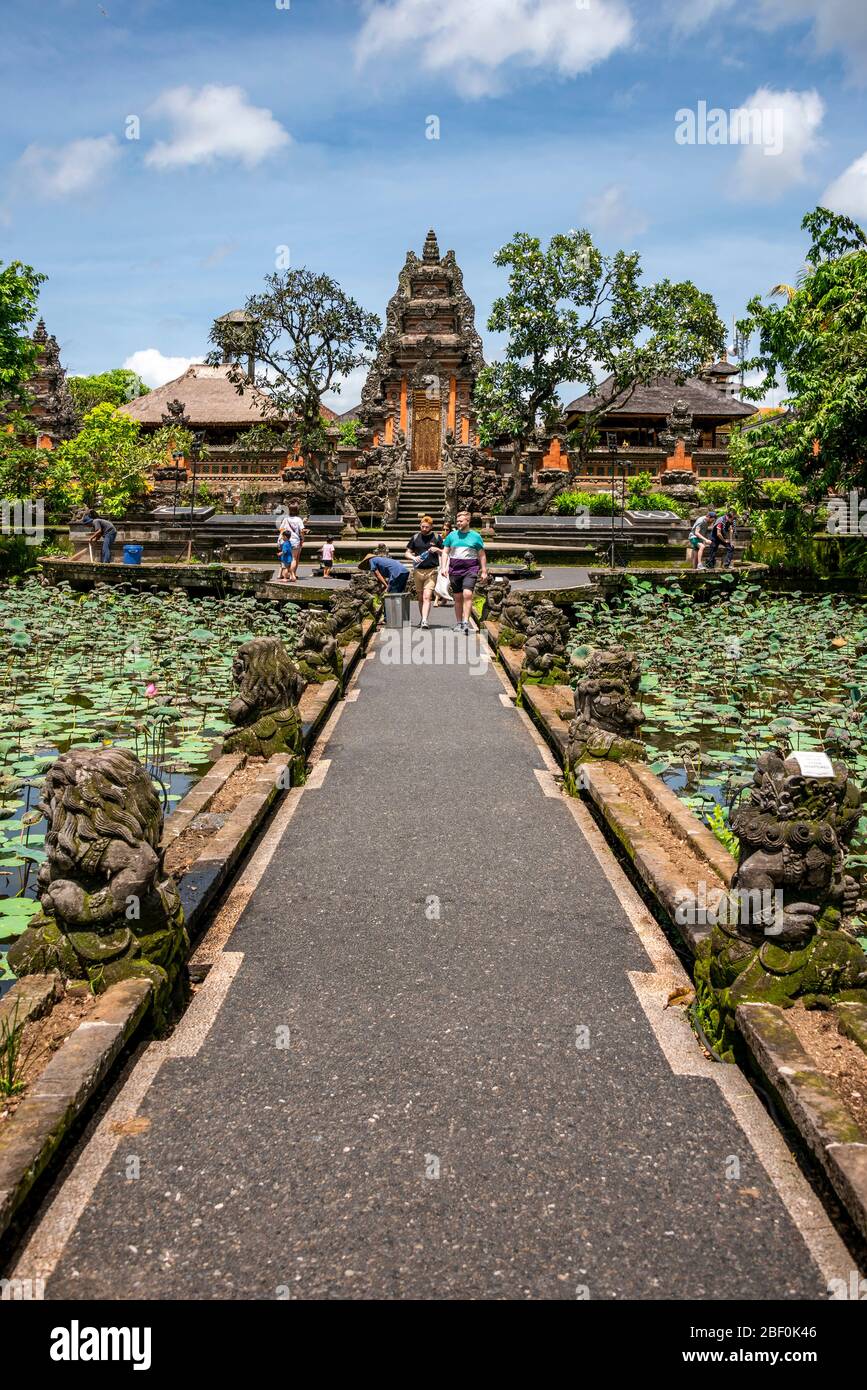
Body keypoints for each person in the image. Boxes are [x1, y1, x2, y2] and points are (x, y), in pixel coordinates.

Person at [441, 509, 487, 631]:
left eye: (461, 521)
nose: (458, 523)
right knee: (458, 597)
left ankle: (466, 622)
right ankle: (459, 622)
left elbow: (481, 554)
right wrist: (443, 567)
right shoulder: (452, 535)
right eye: (457, 521)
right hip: (454, 569)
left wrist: (484, 570)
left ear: (468, 521)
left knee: (467, 594)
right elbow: (445, 552)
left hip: (470, 569)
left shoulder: (476, 536)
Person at [404, 515, 443, 629]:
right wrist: (413, 558)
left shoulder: (437, 538)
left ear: (431, 526)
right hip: (418, 571)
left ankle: (425, 620)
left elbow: (445, 552)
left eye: (427, 527)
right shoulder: (415, 537)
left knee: (427, 596)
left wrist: (438, 550)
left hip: (431, 571)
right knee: (420, 597)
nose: (424, 529)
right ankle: (423, 618)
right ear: (420, 525)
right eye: (423, 526)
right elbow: (407, 552)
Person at [275, 502, 306, 583]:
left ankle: (287, 574)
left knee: (286, 558)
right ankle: (293, 574)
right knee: (294, 559)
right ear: (297, 510)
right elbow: (302, 531)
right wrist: (302, 539)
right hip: (296, 541)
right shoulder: (299, 519)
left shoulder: (286, 519)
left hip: (287, 541)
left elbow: (281, 529)